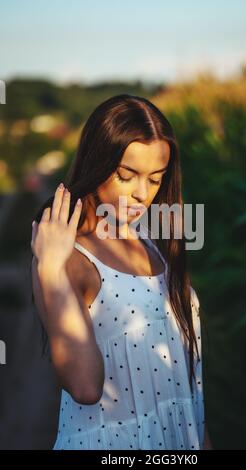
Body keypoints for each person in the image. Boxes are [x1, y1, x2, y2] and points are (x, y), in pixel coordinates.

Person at [30, 94, 212, 450]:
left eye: (156, 179)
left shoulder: (151, 240)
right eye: (126, 176)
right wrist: (49, 269)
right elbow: (84, 387)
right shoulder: (68, 255)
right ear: (98, 162)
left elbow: (188, 388)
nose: (142, 194)